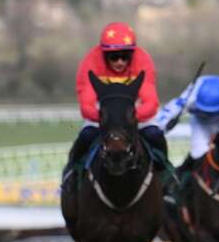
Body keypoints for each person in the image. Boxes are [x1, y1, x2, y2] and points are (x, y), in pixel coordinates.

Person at [62, 22, 166, 190]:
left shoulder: (143, 60)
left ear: (132, 54)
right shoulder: (91, 62)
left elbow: (151, 102)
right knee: (87, 136)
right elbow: (86, 105)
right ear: (104, 54)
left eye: (125, 56)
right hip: (103, 114)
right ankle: (72, 175)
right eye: (114, 56)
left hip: (133, 113)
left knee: (155, 135)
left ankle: (166, 177)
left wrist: (130, 118)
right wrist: (107, 117)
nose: (120, 61)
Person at [156, 75, 219, 173]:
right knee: (198, 153)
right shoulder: (191, 94)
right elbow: (167, 113)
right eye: (207, 110)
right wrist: (162, 127)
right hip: (200, 121)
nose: (209, 114)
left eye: (212, 111)